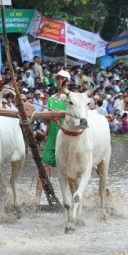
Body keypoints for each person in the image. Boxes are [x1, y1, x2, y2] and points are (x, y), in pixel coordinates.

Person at [36, 69, 76, 203]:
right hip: (52, 139)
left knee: (69, 173)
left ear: (67, 82)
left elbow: (75, 114)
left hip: (67, 139)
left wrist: (60, 112)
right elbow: (46, 121)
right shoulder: (51, 100)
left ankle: (76, 200)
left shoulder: (71, 98)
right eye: (58, 78)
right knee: (43, 169)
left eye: (62, 79)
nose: (59, 81)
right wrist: (45, 116)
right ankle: (36, 200)